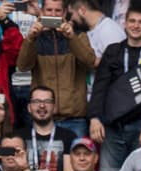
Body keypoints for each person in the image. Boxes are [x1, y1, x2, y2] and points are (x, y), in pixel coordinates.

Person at [87, 3, 141, 171]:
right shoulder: (113, 51)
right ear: (124, 23)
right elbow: (100, 86)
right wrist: (94, 118)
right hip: (112, 126)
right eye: (132, 21)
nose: (136, 25)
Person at [17, 0, 96, 136]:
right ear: (41, 13)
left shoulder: (78, 36)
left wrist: (71, 38)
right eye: (49, 10)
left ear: (65, 13)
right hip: (43, 118)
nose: (53, 14)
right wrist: (30, 39)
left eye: (57, 11)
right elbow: (23, 66)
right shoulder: (35, 38)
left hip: (74, 118)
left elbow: (90, 61)